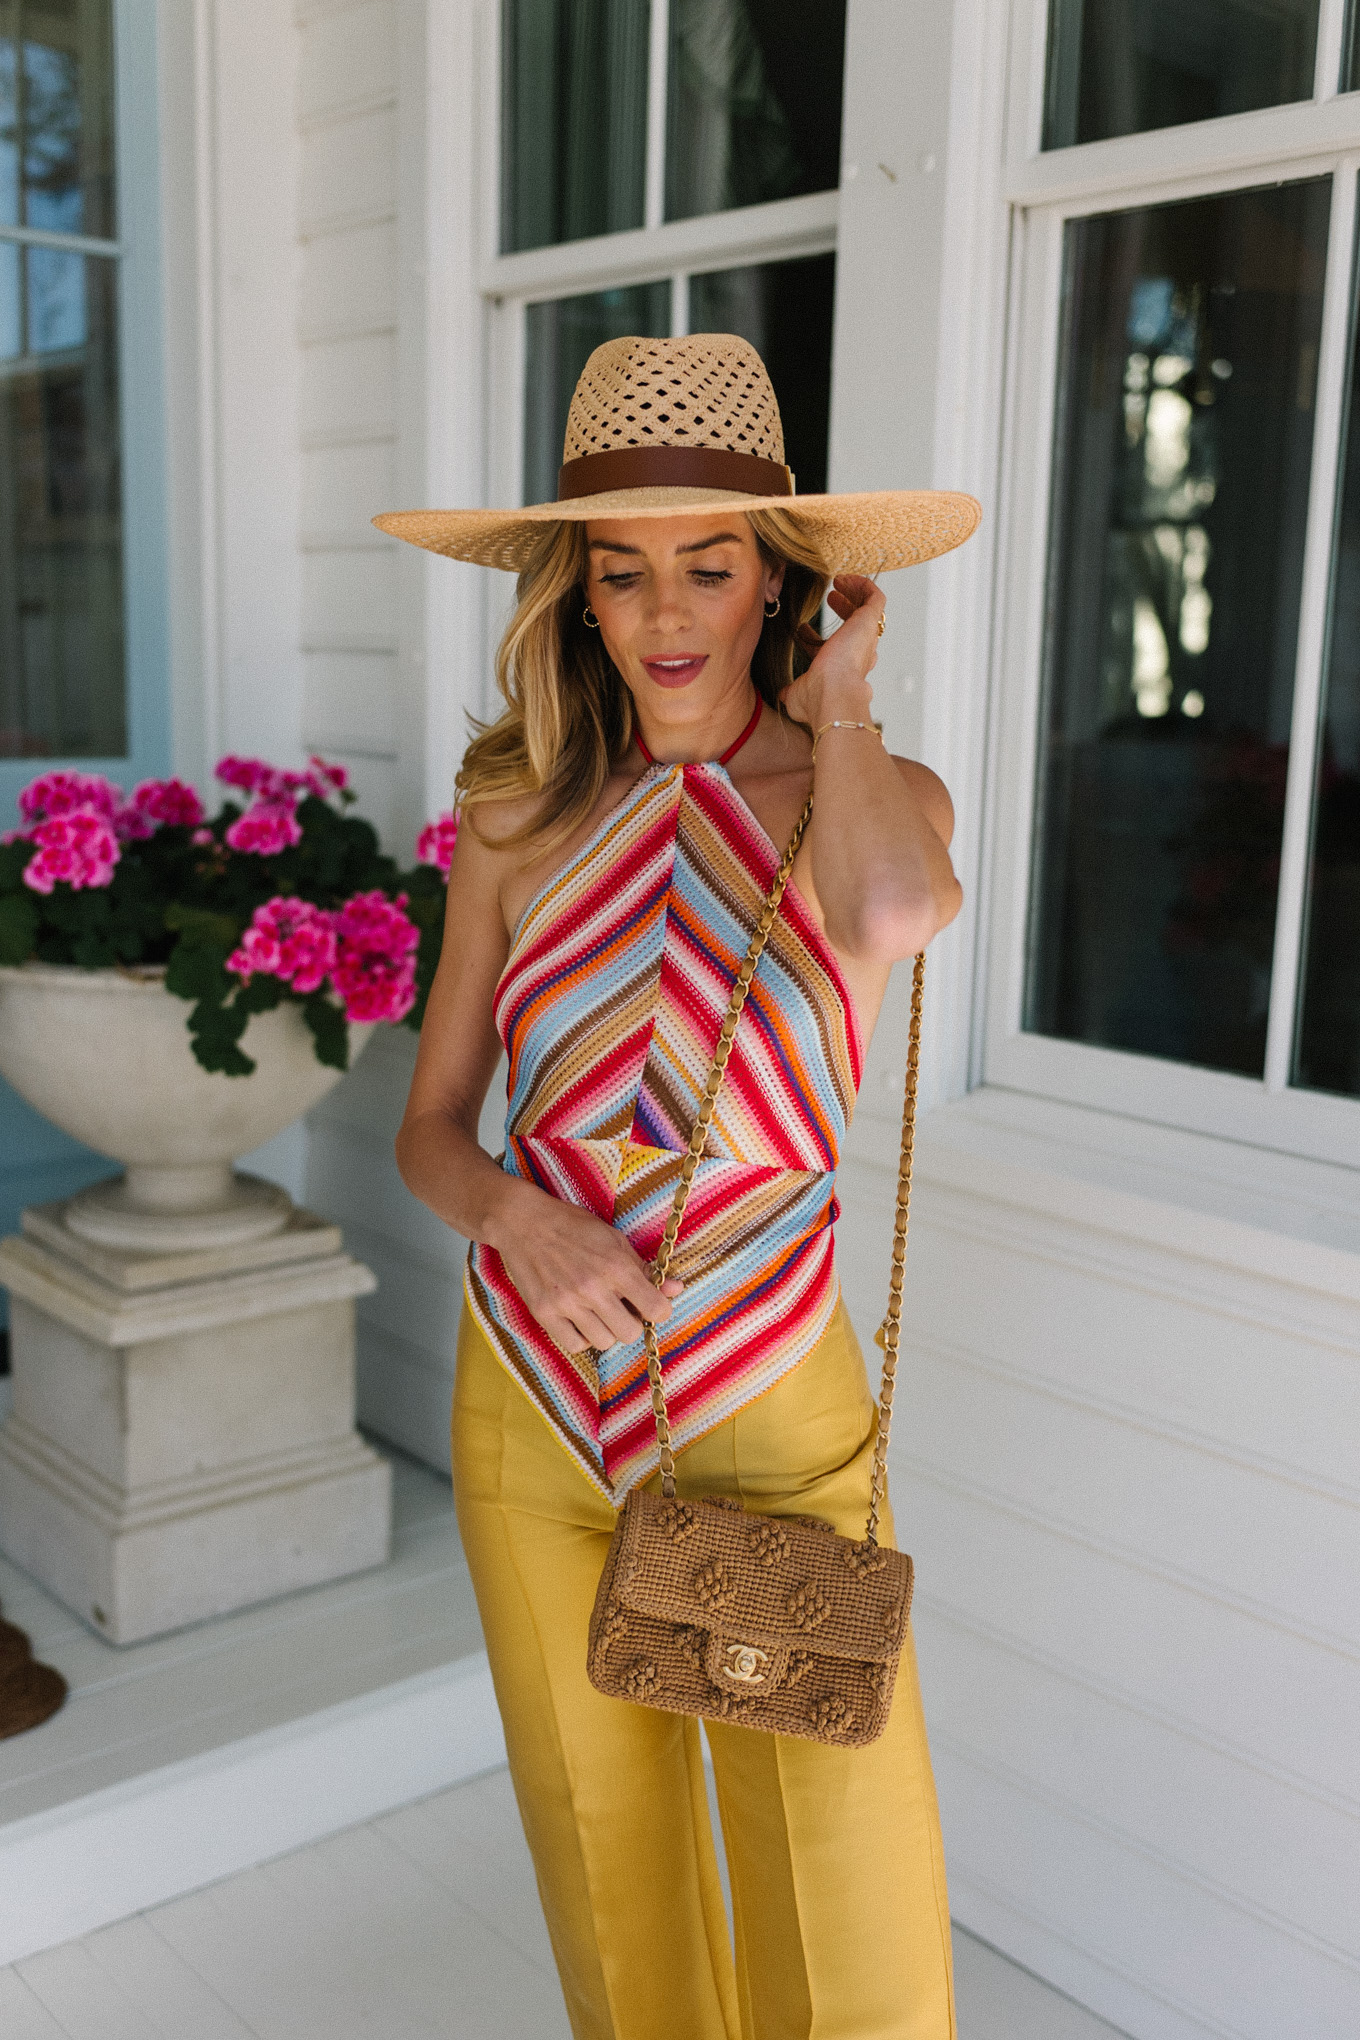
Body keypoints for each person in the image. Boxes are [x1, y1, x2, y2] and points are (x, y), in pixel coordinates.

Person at [382, 333, 978, 2040]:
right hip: (534, 1404)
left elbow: (884, 922)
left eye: (709, 565)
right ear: (573, 590)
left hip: (768, 1397)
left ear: (772, 581)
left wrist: (841, 705)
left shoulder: (873, 797)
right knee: (606, 1861)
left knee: (837, 1873)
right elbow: (429, 1128)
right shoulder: (514, 814)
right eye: (622, 568)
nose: (663, 610)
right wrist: (516, 1214)